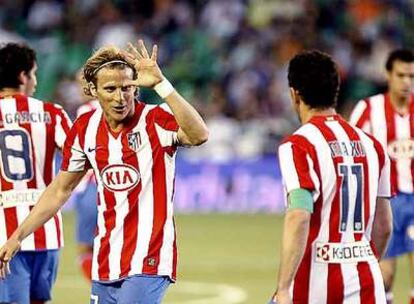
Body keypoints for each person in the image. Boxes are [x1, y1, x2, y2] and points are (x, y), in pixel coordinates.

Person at [0, 39, 209, 304]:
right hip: (106, 260)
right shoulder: (85, 128)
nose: (120, 97)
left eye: (127, 88)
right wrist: (17, 237)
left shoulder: (154, 120)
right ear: (93, 91)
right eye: (110, 89)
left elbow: (199, 134)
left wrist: (161, 85)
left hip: (149, 258)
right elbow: (60, 190)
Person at [269, 50, 393, 303]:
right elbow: (384, 226)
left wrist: (283, 287)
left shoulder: (298, 146)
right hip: (367, 280)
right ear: (335, 91)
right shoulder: (373, 146)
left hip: (317, 285)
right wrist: (363, 260)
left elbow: (299, 214)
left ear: (295, 94)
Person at [0, 42, 72, 303]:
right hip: (47, 229)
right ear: (23, 76)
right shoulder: (53, 113)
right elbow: (79, 157)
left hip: (4, 232)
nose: (35, 81)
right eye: (34, 74)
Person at [350, 48, 414, 304]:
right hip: (384, 203)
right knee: (383, 277)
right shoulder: (368, 109)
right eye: (401, 75)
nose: (406, 82)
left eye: (411, 76)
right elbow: (350, 147)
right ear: (388, 75)